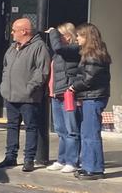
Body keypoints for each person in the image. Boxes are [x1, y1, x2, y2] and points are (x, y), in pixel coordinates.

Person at [0, 17, 49, 171]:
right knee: (12, 126)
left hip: (28, 97)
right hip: (10, 95)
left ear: (24, 31)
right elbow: (5, 67)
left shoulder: (39, 47)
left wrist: (30, 88)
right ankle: (10, 157)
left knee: (31, 127)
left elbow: (42, 71)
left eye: (14, 30)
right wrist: (4, 86)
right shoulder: (12, 48)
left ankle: (28, 159)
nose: (11, 33)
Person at [70, 23, 111, 180]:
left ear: (87, 37)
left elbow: (89, 79)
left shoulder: (94, 55)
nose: (77, 39)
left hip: (94, 96)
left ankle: (94, 168)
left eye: (79, 36)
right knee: (86, 132)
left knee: (91, 133)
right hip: (90, 96)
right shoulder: (91, 54)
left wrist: (73, 87)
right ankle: (87, 165)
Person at [45, 22, 82, 172]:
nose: (56, 39)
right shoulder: (60, 53)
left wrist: (53, 32)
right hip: (56, 94)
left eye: (59, 35)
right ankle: (62, 159)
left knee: (71, 129)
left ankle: (72, 161)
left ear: (67, 36)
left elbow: (58, 48)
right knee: (60, 130)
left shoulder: (74, 49)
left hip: (67, 93)